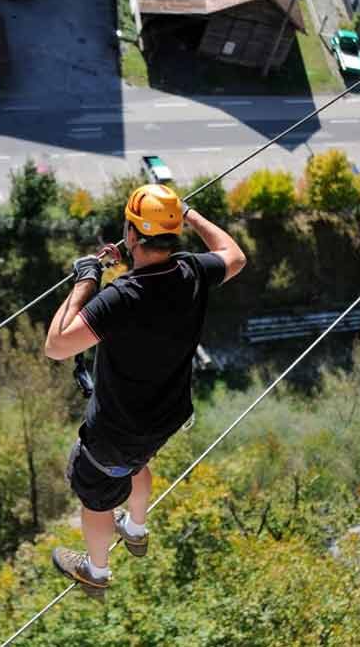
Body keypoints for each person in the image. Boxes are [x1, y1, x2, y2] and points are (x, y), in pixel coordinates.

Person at [44, 183, 246, 598]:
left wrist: (87, 280)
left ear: (132, 235)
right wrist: (187, 212)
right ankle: (135, 529)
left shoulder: (121, 297)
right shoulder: (191, 271)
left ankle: (95, 573)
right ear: (173, 233)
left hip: (120, 428)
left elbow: (57, 345)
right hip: (166, 414)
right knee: (135, 464)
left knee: (98, 496)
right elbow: (235, 255)